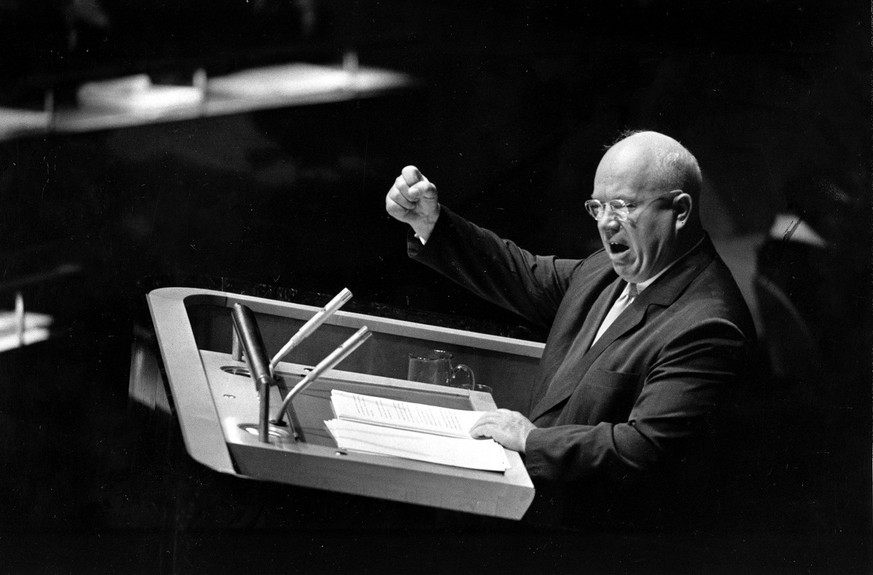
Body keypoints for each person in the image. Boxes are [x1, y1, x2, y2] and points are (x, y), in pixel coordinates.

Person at [384, 130, 756, 527]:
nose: (606, 223)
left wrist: (530, 440)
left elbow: (642, 448)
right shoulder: (606, 271)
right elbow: (526, 275)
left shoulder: (709, 323)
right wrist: (432, 222)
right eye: (598, 207)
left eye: (622, 205)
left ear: (679, 210)